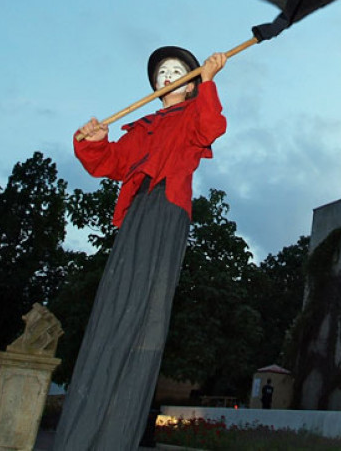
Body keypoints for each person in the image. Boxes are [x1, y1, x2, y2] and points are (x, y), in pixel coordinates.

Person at [55, 46, 228, 451]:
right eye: (162, 72)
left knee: (145, 316)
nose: (168, 76)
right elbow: (111, 164)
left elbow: (210, 128)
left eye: (177, 70)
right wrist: (93, 142)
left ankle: (116, 435)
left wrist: (208, 82)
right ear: (154, 84)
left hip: (167, 209)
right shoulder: (142, 127)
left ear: (188, 80)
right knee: (114, 311)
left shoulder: (192, 112)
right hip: (135, 214)